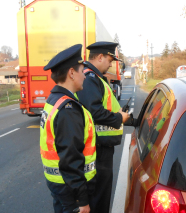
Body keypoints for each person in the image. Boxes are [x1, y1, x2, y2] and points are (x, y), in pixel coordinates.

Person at [76, 41, 133, 213]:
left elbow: (106, 108)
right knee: (99, 198)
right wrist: (118, 118)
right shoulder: (90, 78)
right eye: (109, 60)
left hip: (100, 146)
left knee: (101, 195)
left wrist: (130, 120)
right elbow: (95, 111)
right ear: (100, 57)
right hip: (97, 149)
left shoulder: (94, 77)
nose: (110, 64)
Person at [40, 44, 97, 213]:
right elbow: (71, 159)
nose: (85, 76)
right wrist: (82, 200)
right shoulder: (68, 109)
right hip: (71, 190)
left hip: (59, 184)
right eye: (82, 71)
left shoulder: (54, 99)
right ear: (72, 73)